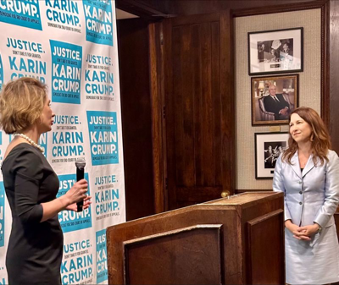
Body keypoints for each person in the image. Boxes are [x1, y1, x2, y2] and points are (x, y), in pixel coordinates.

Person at [0, 77, 91, 284]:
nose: (53, 112)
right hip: (34, 263)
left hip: (37, 258)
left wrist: (63, 206)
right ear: (32, 109)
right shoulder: (26, 155)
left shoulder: (20, 148)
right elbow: (27, 213)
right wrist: (66, 199)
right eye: (48, 105)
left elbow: (30, 202)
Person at [273, 107, 339, 285]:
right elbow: (278, 195)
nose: (293, 127)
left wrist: (316, 226)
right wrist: (288, 225)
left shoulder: (329, 157)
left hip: (320, 234)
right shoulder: (283, 159)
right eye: (291, 124)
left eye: (298, 122)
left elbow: (332, 197)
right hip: (291, 234)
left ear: (313, 125)